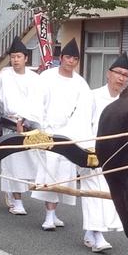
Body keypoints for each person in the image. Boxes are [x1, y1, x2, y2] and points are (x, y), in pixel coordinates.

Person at [33, 38, 92, 231]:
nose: (71, 62)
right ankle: (49, 214)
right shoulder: (47, 77)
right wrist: (38, 127)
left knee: (64, 173)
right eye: (68, 57)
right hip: (48, 130)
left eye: (75, 59)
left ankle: (54, 212)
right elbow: (37, 103)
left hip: (70, 132)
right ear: (61, 58)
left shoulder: (81, 83)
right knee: (49, 171)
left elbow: (85, 111)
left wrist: (81, 136)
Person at [0, 36, 41, 216]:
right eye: (12, 57)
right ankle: (17, 200)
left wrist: (35, 122)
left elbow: (40, 103)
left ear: (26, 58)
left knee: (30, 163)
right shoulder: (3, 77)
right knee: (13, 163)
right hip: (10, 126)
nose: (15, 60)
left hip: (29, 125)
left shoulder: (35, 79)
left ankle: (14, 194)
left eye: (18, 57)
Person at [79, 52, 128, 253]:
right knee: (94, 193)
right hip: (93, 151)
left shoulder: (126, 101)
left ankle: (91, 233)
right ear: (109, 74)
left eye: (125, 75)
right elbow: (81, 124)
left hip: (116, 156)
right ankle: (97, 235)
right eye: (118, 73)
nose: (121, 78)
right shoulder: (92, 96)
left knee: (110, 195)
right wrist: (87, 150)